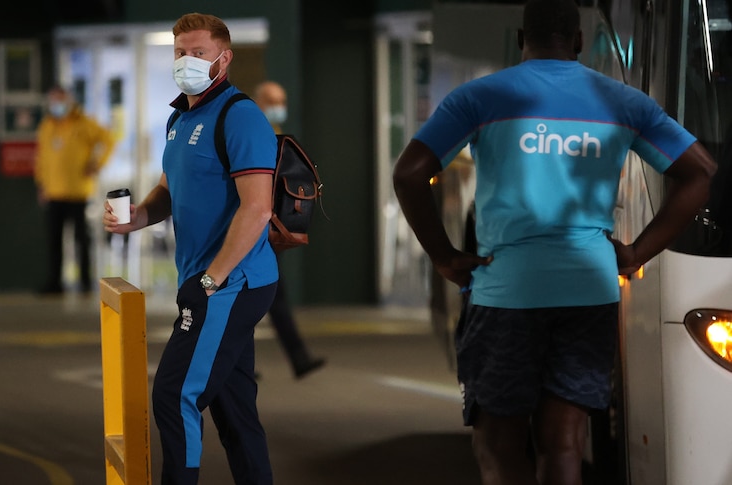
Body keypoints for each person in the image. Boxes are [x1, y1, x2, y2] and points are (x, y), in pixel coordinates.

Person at [391, 1, 717, 484]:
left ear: (522, 37)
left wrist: (444, 256)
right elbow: (700, 172)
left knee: (498, 446)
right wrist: (635, 253)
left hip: (506, 293)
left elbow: (410, 174)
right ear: (580, 41)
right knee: (563, 444)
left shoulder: (479, 97)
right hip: (590, 292)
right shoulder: (623, 101)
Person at [104, 13, 279, 485]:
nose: (187, 61)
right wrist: (138, 216)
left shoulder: (240, 117)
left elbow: (257, 210)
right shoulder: (179, 118)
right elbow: (169, 189)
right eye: (180, 52)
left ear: (224, 58)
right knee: (234, 408)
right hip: (207, 280)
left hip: (231, 282)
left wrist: (211, 280)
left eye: (198, 53)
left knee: (174, 394)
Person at [252, 80, 326, 379]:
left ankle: (297, 357)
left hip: (268, 227)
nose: (278, 107)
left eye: (281, 101)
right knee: (258, 294)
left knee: (269, 294)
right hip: (255, 227)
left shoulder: (269, 132)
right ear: (259, 100)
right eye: (272, 100)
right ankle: (294, 358)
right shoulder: (250, 130)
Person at [34, 85, 115, 294]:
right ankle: (55, 283)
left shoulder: (84, 123)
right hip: (54, 194)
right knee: (54, 241)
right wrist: (42, 184)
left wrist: (97, 163)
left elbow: (108, 140)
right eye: (53, 101)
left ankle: (85, 282)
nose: (57, 105)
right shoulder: (46, 126)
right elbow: (41, 158)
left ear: (69, 102)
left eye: (60, 100)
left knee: (82, 241)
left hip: (78, 193)